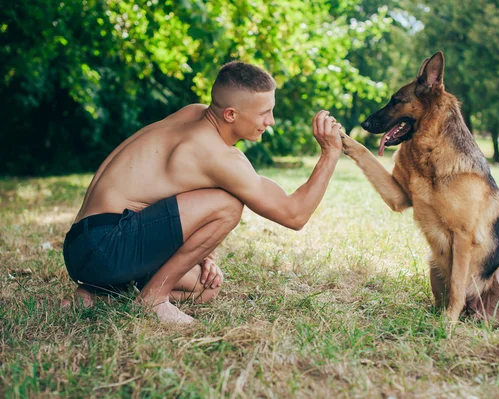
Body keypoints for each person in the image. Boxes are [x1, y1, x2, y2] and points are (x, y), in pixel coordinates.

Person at [61, 61, 343, 323]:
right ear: (230, 114)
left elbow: (167, 194)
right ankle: (153, 299)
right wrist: (330, 153)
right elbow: (295, 215)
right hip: (104, 245)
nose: (270, 121)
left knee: (204, 288)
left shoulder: (195, 113)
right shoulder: (213, 154)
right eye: (263, 113)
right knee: (228, 205)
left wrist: (203, 253)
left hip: (83, 245)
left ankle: (97, 296)